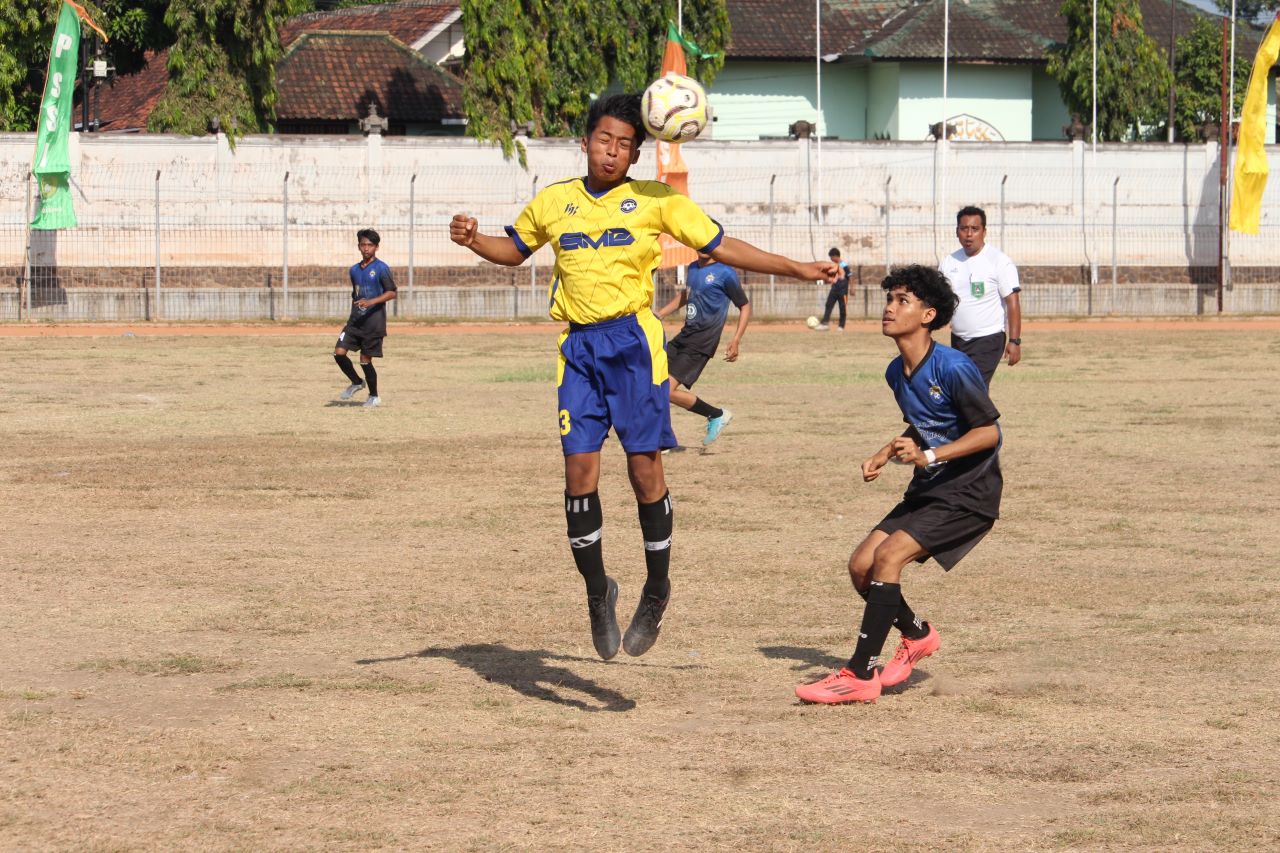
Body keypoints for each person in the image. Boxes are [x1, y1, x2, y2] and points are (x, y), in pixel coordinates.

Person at [449, 94, 836, 661]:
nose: (612, 151)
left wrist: (798, 267)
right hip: (579, 349)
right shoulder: (555, 201)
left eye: (625, 144)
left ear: (635, 154)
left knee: (643, 472)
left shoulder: (656, 199)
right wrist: (473, 239)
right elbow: (513, 249)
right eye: (604, 139)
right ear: (585, 142)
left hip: (633, 346)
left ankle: (656, 589)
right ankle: (597, 590)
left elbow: (721, 243)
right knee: (579, 473)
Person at [796, 264, 1003, 704]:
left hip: (969, 491)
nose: (889, 308)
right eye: (889, 299)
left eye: (902, 301)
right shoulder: (896, 372)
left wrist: (929, 456)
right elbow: (926, 423)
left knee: (888, 557)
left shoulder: (954, 366)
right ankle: (917, 634)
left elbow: (988, 433)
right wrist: (887, 450)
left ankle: (859, 675)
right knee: (861, 566)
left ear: (928, 315)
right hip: (930, 489)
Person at [654, 251, 750, 446]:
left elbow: (744, 306)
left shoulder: (725, 273)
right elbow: (686, 295)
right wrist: (660, 314)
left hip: (702, 341)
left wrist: (736, 339)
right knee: (653, 383)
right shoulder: (693, 267)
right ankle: (664, 441)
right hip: (684, 336)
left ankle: (716, 415)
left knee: (666, 391)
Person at [939, 206, 1021, 386]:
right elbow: (941, 298)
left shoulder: (999, 261)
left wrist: (1015, 341)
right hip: (959, 339)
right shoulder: (949, 262)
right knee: (967, 391)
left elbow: (1012, 301)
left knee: (971, 387)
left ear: (984, 232)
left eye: (975, 229)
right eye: (964, 228)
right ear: (957, 231)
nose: (969, 234)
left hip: (988, 339)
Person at [334, 228, 397, 408]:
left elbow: (392, 292)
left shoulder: (381, 268)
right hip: (355, 322)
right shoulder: (354, 270)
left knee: (365, 360)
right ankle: (356, 382)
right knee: (338, 353)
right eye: (363, 245)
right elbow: (356, 294)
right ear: (359, 246)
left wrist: (370, 302)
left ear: (376, 247)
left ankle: (374, 396)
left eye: (370, 245)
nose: (366, 248)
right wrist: (356, 309)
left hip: (373, 323)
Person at [812, 247, 852, 331]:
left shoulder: (844, 265)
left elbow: (850, 277)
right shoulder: (833, 266)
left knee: (843, 307)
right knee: (828, 305)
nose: (831, 259)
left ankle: (841, 326)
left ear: (835, 256)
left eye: (831, 257)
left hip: (843, 290)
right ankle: (824, 324)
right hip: (834, 289)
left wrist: (852, 288)